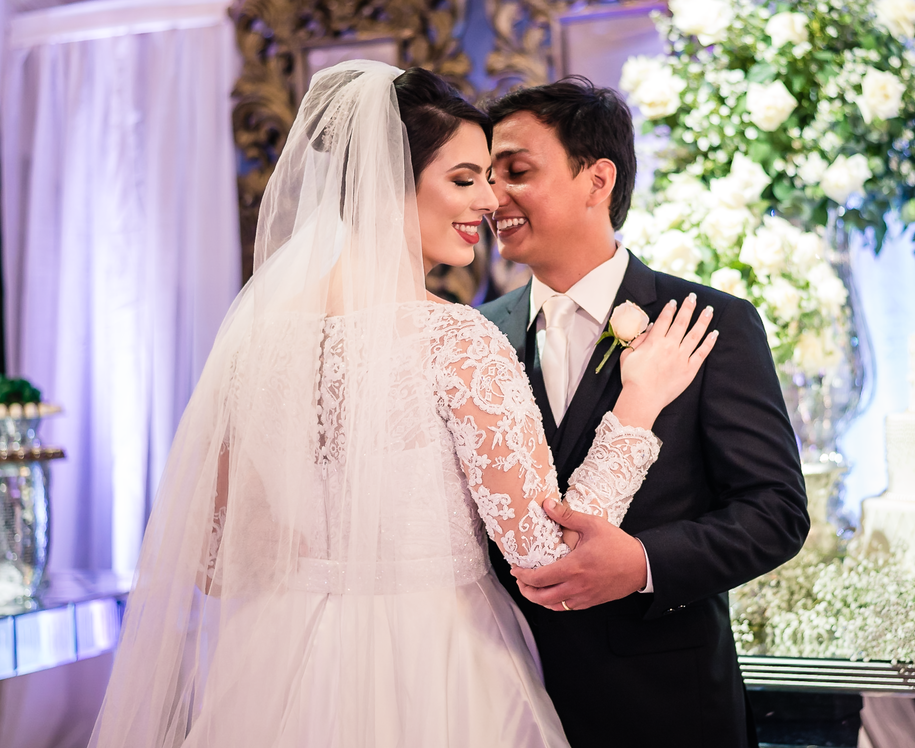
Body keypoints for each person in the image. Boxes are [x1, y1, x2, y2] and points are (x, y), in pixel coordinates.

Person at [88, 61, 717, 748]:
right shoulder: (453, 338)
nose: (488, 200)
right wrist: (637, 407)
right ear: (388, 182)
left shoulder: (254, 344)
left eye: (491, 176)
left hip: (282, 668)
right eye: (463, 178)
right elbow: (547, 559)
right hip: (441, 668)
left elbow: (213, 562)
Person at [479, 77, 810, 748]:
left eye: (515, 171)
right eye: (483, 178)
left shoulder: (711, 322)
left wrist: (643, 562)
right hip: (507, 697)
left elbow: (776, 511)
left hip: (667, 708)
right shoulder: (478, 337)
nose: (492, 198)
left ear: (596, 179)